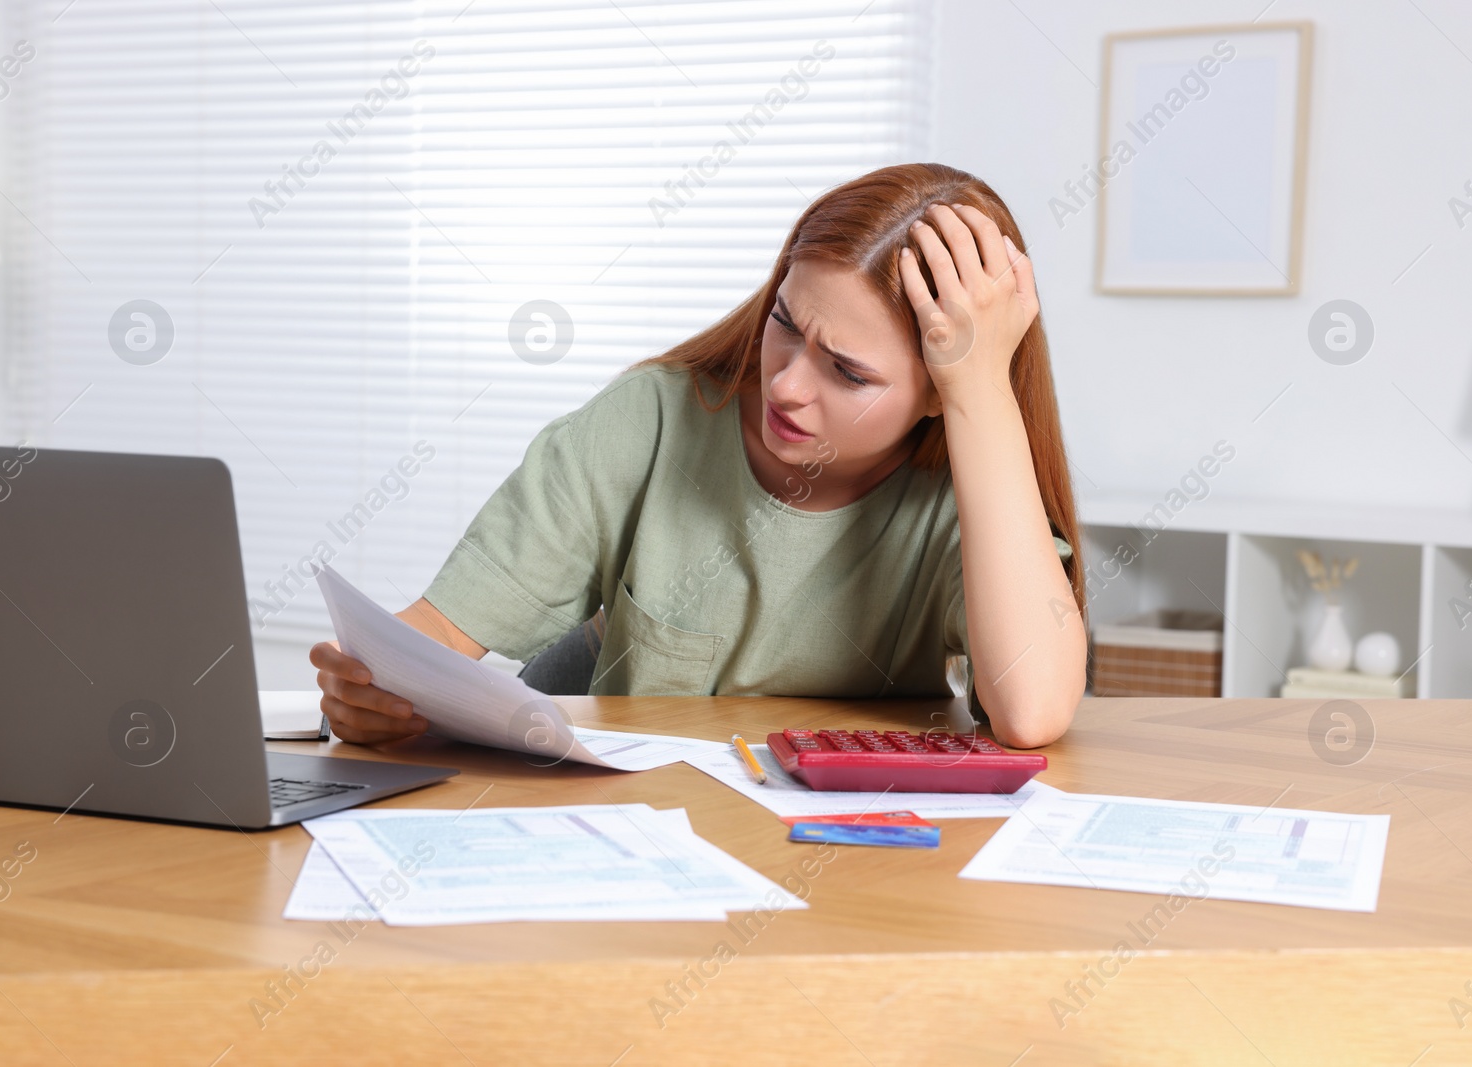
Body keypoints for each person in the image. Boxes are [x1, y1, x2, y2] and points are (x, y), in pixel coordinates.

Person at [311, 162, 1088, 749]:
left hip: (853, 859)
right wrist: (370, 696)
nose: (784, 384)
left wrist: (983, 392)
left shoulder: (966, 490)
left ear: (936, 391)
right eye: (785, 322)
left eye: (848, 371)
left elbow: (1032, 709)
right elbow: (432, 639)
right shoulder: (648, 420)